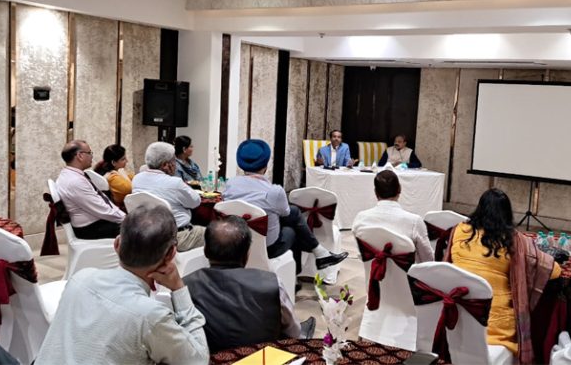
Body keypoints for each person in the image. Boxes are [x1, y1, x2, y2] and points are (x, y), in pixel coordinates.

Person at [34, 206, 209, 365]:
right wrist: (178, 288)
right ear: (171, 254)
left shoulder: (79, 279)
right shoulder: (150, 315)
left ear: (117, 244)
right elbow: (198, 359)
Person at [447, 188, 561, 364]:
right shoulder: (515, 240)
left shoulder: (458, 231)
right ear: (507, 214)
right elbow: (554, 271)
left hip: (457, 316)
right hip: (496, 326)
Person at [185, 216, 314, 351]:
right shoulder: (272, 283)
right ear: (247, 254)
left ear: (205, 251)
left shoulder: (186, 286)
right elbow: (294, 332)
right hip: (263, 357)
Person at [224, 139, 348, 275]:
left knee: (293, 214)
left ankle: (319, 254)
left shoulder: (230, 185)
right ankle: (311, 260)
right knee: (292, 228)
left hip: (236, 242)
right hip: (268, 248)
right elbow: (285, 213)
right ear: (266, 165)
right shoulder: (274, 191)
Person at [132, 142, 205, 251]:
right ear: (165, 165)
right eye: (174, 161)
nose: (176, 165)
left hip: (147, 235)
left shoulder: (137, 179)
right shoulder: (175, 183)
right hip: (176, 237)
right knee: (214, 235)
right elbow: (195, 202)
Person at [352, 170, 433, 262]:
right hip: (408, 271)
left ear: (375, 192)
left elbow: (362, 252)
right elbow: (428, 260)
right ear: (399, 189)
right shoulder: (414, 222)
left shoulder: (361, 218)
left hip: (372, 270)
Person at [55, 140, 125, 239]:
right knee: (140, 230)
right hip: (91, 228)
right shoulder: (75, 181)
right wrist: (126, 219)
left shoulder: (69, 175)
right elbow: (101, 209)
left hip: (93, 223)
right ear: (80, 155)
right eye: (89, 153)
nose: (92, 156)